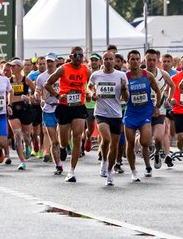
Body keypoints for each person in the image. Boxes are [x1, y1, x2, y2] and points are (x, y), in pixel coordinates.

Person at [45, 46, 89, 182]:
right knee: (64, 141)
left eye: (80, 55)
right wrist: (58, 96)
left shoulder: (85, 70)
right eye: (75, 55)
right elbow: (48, 84)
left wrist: (90, 93)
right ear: (70, 56)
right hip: (64, 107)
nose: (78, 58)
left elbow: (92, 84)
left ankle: (71, 171)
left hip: (79, 107)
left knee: (77, 137)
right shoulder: (63, 68)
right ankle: (63, 146)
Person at [88, 51, 129, 186]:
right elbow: (89, 87)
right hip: (100, 113)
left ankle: (110, 172)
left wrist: (123, 89)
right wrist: (92, 93)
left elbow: (126, 98)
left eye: (111, 59)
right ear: (102, 61)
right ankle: (104, 161)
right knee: (106, 139)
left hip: (116, 114)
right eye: (106, 59)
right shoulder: (96, 75)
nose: (108, 61)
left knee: (114, 146)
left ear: (114, 60)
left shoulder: (121, 75)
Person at [122, 50, 160, 182]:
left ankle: (148, 165)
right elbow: (125, 99)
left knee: (145, 142)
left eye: (137, 59)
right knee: (130, 144)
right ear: (128, 61)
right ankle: (133, 171)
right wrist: (123, 89)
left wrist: (157, 106)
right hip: (131, 114)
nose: (135, 61)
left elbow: (158, 91)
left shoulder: (147, 75)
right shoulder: (125, 77)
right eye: (132, 59)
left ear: (141, 61)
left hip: (145, 113)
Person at [144, 49, 176, 170]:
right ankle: (146, 163)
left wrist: (168, 99)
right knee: (145, 140)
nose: (151, 62)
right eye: (149, 60)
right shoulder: (141, 74)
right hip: (144, 110)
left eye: (154, 60)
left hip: (160, 109)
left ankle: (157, 153)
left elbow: (172, 85)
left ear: (157, 61)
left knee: (158, 137)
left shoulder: (162, 74)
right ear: (145, 60)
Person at [8, 58, 35, 170]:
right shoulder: (8, 80)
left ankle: (28, 146)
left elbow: (35, 91)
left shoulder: (26, 79)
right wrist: (7, 104)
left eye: (14, 66)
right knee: (17, 134)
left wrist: (29, 97)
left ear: (20, 67)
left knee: (26, 136)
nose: (12, 68)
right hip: (13, 109)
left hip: (25, 109)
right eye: (11, 66)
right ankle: (22, 160)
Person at [36, 54, 62, 174]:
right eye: (48, 62)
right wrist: (39, 98)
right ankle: (58, 165)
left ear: (56, 62)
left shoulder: (61, 74)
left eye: (51, 61)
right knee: (54, 140)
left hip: (61, 108)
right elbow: (38, 91)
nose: (49, 64)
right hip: (48, 109)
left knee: (62, 139)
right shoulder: (41, 77)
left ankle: (64, 147)